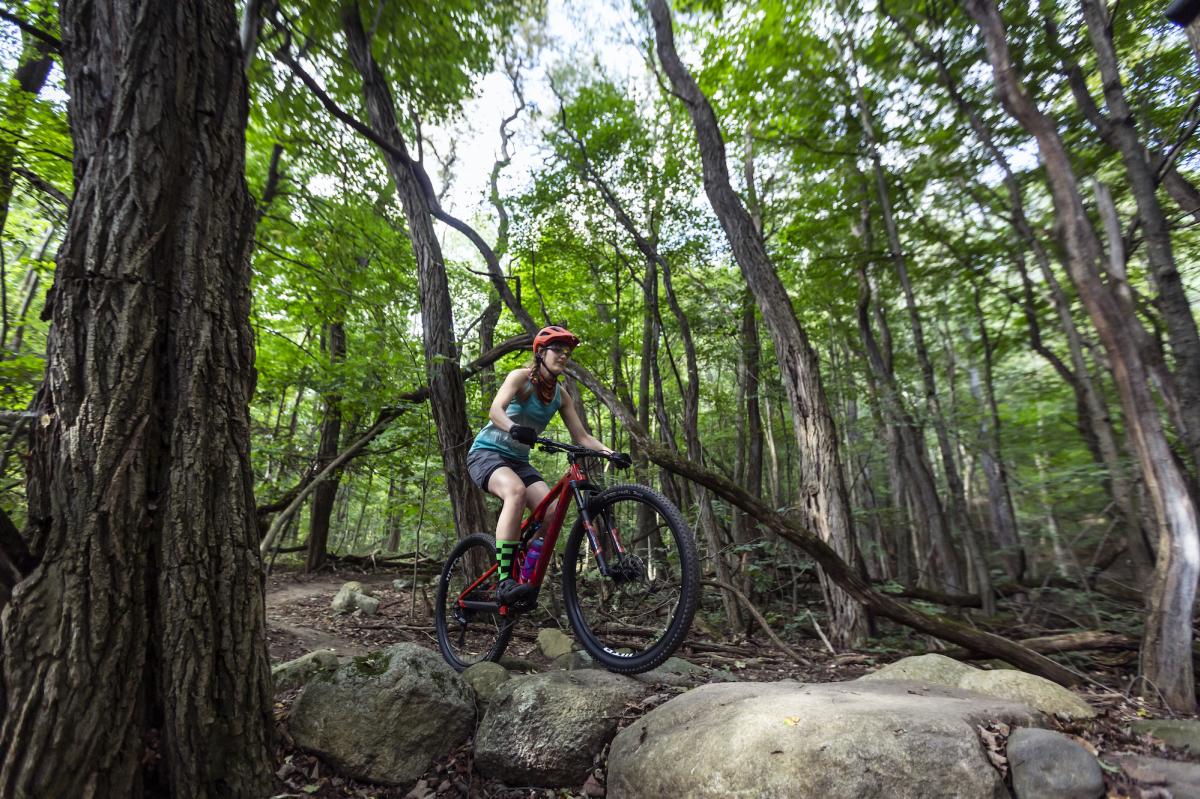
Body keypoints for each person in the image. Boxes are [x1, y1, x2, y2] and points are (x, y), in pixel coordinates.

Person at [467, 325, 630, 605]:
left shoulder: (560, 395)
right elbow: (495, 410)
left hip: (518, 461)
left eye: (567, 352)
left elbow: (581, 436)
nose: (563, 356)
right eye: (558, 350)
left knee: (553, 511)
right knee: (515, 492)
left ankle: (526, 572)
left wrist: (610, 452)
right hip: (486, 454)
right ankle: (505, 581)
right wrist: (514, 427)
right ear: (540, 352)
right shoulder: (520, 377)